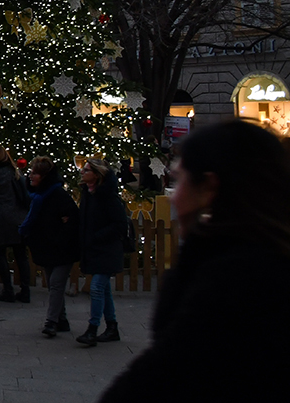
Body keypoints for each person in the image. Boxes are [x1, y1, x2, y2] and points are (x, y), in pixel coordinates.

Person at [99, 121, 290, 402]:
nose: (173, 197)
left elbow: (163, 373)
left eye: (178, 181)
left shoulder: (234, 280)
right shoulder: (254, 257)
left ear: (208, 187)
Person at [19, 156, 79, 338]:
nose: (30, 176)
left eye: (35, 173)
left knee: (55, 284)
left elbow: (72, 219)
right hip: (45, 246)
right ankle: (62, 320)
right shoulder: (35, 196)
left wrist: (60, 233)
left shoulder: (58, 195)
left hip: (62, 248)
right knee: (53, 284)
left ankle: (51, 321)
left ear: (44, 176)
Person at [75, 158, 126, 346]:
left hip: (107, 249)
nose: (82, 172)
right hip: (95, 248)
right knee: (103, 289)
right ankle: (112, 327)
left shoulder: (108, 197)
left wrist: (98, 236)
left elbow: (120, 224)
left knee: (96, 288)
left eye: (86, 170)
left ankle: (92, 328)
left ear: (96, 175)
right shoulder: (88, 194)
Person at [0, 144, 31, 303]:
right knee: (21, 255)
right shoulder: (14, 171)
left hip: (3, 217)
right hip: (19, 217)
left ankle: (8, 289)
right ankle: (25, 290)